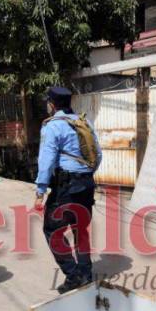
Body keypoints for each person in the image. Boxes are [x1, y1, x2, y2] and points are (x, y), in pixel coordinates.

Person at [35, 87, 102, 294]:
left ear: (52, 104)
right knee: (79, 228)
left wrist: (40, 190)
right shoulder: (84, 122)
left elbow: (46, 161)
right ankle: (86, 272)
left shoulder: (53, 126)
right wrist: (86, 174)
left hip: (66, 187)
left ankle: (74, 276)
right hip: (87, 184)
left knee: (52, 230)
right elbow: (97, 155)